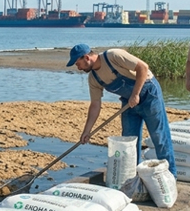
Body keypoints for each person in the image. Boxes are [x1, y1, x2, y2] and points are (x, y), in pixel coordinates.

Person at [68, 44, 177, 177]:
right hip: (128, 103)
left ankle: (171, 176)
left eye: (77, 63)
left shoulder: (113, 56)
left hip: (149, 95)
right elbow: (95, 104)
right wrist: (87, 131)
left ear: (86, 57)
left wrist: (136, 94)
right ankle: (134, 177)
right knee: (129, 142)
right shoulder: (93, 79)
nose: (77, 67)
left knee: (159, 137)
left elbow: (143, 67)